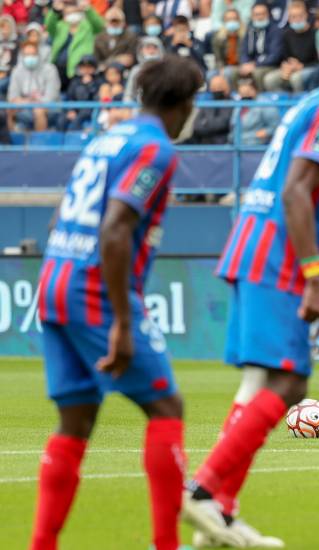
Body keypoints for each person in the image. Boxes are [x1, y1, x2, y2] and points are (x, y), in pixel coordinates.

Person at [181, 27, 319, 548]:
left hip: (255, 245)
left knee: (257, 384)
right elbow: (297, 191)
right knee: (290, 382)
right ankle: (202, 491)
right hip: (281, 257)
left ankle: (220, 516)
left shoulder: (311, 102)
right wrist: (315, 276)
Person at [28, 55, 205, 550]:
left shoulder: (105, 139)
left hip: (55, 277)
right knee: (166, 405)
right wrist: (122, 321)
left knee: (77, 418)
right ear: (184, 104)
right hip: (92, 288)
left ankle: (41, 544)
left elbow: (58, 218)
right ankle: (166, 544)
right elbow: (115, 229)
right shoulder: (155, 150)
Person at [46, 0, 105, 86]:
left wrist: (88, 9)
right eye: (69, 12)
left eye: (75, 12)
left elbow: (99, 26)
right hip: (59, 70)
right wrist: (54, 10)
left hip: (80, 70)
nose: (72, 14)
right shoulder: (60, 25)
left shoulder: (87, 26)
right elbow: (49, 26)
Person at [264, 0, 318, 92]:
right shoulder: (286, 34)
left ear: (306, 15)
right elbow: (285, 57)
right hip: (291, 68)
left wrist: (302, 66)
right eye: (293, 17)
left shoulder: (315, 33)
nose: (297, 19)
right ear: (289, 19)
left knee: (296, 78)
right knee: (269, 79)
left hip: (310, 68)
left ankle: (300, 103)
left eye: (300, 16)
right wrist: (286, 67)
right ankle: (281, 104)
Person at [6, 40, 61, 131]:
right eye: (27, 55)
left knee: (38, 111)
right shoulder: (17, 71)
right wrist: (28, 102)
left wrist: (32, 102)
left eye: (33, 54)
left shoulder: (50, 69)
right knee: (8, 110)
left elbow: (50, 97)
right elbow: (12, 97)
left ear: (38, 54)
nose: (30, 57)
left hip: (50, 107)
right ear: (22, 56)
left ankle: (39, 142)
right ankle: (11, 142)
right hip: (26, 106)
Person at [238, 1, 283, 90]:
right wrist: (245, 63)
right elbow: (243, 51)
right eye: (256, 14)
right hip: (251, 65)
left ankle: (261, 100)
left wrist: (255, 65)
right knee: (231, 73)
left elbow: (275, 56)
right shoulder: (249, 30)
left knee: (257, 73)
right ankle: (237, 100)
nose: (259, 17)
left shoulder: (276, 31)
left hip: (270, 66)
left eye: (262, 14)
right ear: (252, 16)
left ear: (268, 14)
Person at [190, 74, 233, 144]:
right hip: (204, 144)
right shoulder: (207, 104)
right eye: (213, 87)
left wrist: (206, 123)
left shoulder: (231, 103)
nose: (216, 90)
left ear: (227, 88)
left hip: (223, 144)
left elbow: (223, 123)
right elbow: (196, 125)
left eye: (219, 87)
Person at [63, 54, 100, 130]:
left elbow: (97, 98)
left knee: (78, 120)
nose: (86, 70)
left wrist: (90, 84)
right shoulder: (75, 81)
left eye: (89, 67)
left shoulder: (99, 81)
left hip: (90, 110)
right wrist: (71, 110)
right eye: (83, 67)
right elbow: (69, 97)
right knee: (61, 120)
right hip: (76, 108)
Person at [123, 36, 164, 101]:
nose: (151, 51)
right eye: (148, 48)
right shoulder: (136, 70)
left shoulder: (166, 69)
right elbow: (129, 94)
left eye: (155, 48)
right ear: (141, 50)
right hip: (140, 108)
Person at [211, 8, 245, 77]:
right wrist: (221, 68)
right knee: (210, 75)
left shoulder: (245, 36)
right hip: (224, 66)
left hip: (240, 66)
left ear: (239, 20)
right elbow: (218, 58)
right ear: (224, 21)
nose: (232, 21)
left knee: (228, 73)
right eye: (229, 19)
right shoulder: (218, 37)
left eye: (234, 19)